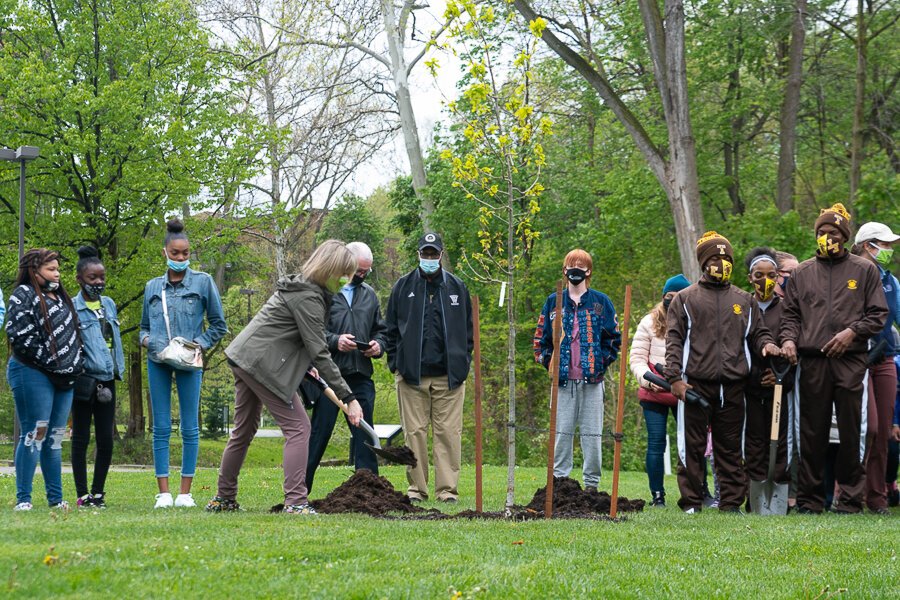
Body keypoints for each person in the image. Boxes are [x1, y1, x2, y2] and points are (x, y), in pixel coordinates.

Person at [208, 240, 363, 514]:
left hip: (246, 357)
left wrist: (304, 365)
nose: (346, 280)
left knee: (243, 430)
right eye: (344, 274)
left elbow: (285, 335)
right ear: (329, 269)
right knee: (299, 428)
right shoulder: (308, 297)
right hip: (260, 364)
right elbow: (319, 350)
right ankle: (296, 502)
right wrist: (349, 397)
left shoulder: (305, 289)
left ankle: (224, 498)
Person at [780, 204, 889, 514]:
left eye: (833, 233)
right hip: (812, 362)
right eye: (822, 232)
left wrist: (852, 333)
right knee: (810, 432)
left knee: (853, 430)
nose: (827, 237)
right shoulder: (802, 272)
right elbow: (790, 315)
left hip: (851, 361)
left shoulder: (864, 270)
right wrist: (788, 340)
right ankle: (811, 500)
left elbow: (878, 314)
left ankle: (851, 500)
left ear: (844, 237)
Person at [664, 232, 781, 514]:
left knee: (730, 449)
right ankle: (691, 502)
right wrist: (674, 379)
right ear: (704, 262)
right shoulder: (684, 300)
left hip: (732, 387)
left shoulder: (744, 300)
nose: (721, 263)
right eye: (715, 258)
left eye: (726, 258)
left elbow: (759, 333)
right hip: (694, 387)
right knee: (691, 448)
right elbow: (674, 341)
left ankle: (730, 503)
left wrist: (767, 346)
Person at [140, 219, 227, 508]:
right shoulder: (152, 287)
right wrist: (148, 342)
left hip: (190, 363)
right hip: (158, 360)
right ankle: (163, 493)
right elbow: (142, 328)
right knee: (161, 426)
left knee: (190, 427)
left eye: (185, 253)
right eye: (175, 253)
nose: (180, 258)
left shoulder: (203, 282)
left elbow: (219, 325)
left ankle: (185, 493)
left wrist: (198, 345)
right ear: (164, 252)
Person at [384, 233, 473, 503]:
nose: (430, 259)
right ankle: (417, 490)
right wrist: (396, 365)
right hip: (412, 377)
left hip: (449, 377)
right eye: (426, 254)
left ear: (442, 255)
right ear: (418, 255)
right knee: (415, 435)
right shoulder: (402, 287)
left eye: (434, 254)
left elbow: (468, 333)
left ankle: (447, 491)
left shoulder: (457, 288)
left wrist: (462, 364)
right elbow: (390, 330)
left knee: (448, 435)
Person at [534, 249, 622, 493]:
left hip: (592, 382)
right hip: (561, 382)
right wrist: (549, 363)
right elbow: (540, 339)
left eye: (580, 266)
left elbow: (614, 339)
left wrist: (600, 363)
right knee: (561, 435)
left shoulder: (600, 302)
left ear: (588, 270)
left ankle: (591, 485)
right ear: (564, 270)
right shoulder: (554, 301)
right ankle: (559, 484)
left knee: (592, 436)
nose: (575, 270)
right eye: (571, 266)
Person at [304, 241, 387, 493]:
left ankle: (369, 491)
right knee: (319, 433)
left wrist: (378, 346)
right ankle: (300, 488)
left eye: (366, 272)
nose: (361, 276)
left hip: (360, 374)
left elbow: (380, 330)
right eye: (358, 271)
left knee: (365, 434)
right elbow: (313, 332)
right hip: (330, 375)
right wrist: (335, 341)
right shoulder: (327, 292)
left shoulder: (370, 295)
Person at [6, 249, 84, 511]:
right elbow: (20, 336)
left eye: (58, 269)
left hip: (64, 379)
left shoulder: (62, 299)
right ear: (34, 271)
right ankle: (24, 499)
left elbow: (75, 336)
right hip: (31, 372)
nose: (57, 274)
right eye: (51, 269)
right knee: (35, 432)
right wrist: (52, 362)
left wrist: (74, 364)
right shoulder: (23, 295)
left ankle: (55, 499)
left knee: (54, 438)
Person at [71, 246, 125, 509]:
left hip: (108, 379)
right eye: (93, 278)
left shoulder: (110, 305)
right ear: (79, 279)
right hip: (83, 380)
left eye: (102, 277)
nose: (99, 282)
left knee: (105, 439)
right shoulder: (71, 307)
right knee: (81, 437)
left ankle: (99, 493)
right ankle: (82, 495)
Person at [742, 247, 795, 511]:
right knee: (753, 442)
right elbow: (735, 346)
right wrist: (754, 376)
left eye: (772, 275)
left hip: (780, 386)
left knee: (780, 442)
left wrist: (778, 376)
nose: (766, 280)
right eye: (759, 275)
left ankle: (779, 496)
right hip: (749, 388)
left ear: (778, 277)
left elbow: (793, 340)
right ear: (750, 277)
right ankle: (755, 494)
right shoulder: (742, 306)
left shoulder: (786, 309)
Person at [629, 274, 689, 506]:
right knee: (656, 442)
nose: (672, 301)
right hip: (654, 391)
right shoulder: (648, 322)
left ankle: (697, 490)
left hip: (683, 392)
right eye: (668, 297)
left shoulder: (693, 321)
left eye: (678, 297)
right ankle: (657, 495)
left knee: (691, 443)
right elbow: (636, 359)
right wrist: (648, 379)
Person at [850, 222, 899, 514]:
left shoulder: (891, 281)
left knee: (882, 433)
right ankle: (848, 492)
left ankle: (877, 497)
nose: (889, 250)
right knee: (865, 428)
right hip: (855, 360)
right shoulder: (851, 275)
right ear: (869, 245)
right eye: (886, 244)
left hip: (885, 360)